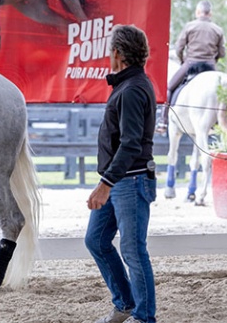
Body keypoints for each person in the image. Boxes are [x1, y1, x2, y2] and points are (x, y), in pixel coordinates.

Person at [85, 24, 157, 323]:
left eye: (109, 51)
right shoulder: (129, 86)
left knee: (133, 250)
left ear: (117, 53)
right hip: (122, 180)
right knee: (96, 241)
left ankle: (144, 317)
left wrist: (105, 184)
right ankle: (125, 303)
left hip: (130, 181)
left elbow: (129, 145)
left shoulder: (131, 90)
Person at [155, 0, 225, 134]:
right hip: (210, 66)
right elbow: (222, 53)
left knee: (169, 88)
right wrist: (212, 61)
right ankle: (217, 121)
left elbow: (178, 49)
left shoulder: (190, 27)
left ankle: (163, 121)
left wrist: (183, 61)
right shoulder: (218, 30)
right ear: (210, 13)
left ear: (198, 12)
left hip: (191, 64)